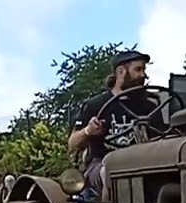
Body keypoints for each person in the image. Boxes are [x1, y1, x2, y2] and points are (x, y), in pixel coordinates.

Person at [69, 49, 164, 194]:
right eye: (138, 70)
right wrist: (88, 131)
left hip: (142, 162)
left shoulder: (150, 106)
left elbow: (161, 138)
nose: (142, 75)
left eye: (143, 70)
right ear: (121, 72)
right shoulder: (96, 104)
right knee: (110, 171)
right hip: (102, 162)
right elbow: (73, 144)